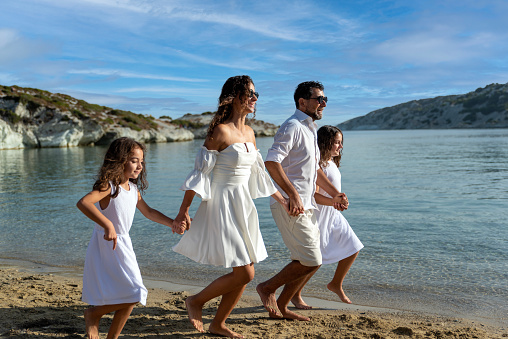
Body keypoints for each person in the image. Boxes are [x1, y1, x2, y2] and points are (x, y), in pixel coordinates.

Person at [172, 75, 289, 338]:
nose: (254, 99)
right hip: (221, 203)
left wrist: (283, 200)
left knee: (244, 270)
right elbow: (199, 174)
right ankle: (196, 301)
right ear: (235, 97)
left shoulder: (250, 132)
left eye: (256, 94)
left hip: (242, 204)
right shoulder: (221, 131)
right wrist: (184, 211)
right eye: (250, 94)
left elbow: (259, 174)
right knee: (246, 272)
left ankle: (218, 324)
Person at [256, 81, 349, 321]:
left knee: (308, 260)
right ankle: (266, 288)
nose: (324, 103)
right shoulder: (292, 126)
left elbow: (315, 170)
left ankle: (284, 305)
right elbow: (272, 162)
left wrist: (334, 193)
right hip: (290, 206)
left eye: (325, 99)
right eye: (319, 99)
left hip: (308, 206)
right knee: (311, 259)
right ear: (302, 102)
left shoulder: (310, 129)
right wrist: (293, 194)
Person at [77, 137, 183, 339]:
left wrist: (173, 223)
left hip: (123, 244)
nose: (139, 166)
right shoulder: (109, 186)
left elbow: (149, 212)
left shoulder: (133, 190)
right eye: (134, 160)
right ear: (120, 160)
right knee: (134, 293)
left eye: (141, 162)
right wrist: (107, 224)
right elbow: (84, 203)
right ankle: (93, 313)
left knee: (131, 295)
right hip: (107, 244)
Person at [292, 125, 363, 306]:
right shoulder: (318, 166)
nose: (340, 146)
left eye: (341, 143)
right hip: (320, 215)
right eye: (337, 142)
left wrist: (340, 200)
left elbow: (333, 192)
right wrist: (333, 201)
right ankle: (295, 293)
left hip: (334, 215)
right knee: (315, 259)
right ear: (325, 143)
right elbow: (313, 195)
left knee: (353, 247)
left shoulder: (331, 163)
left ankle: (335, 284)